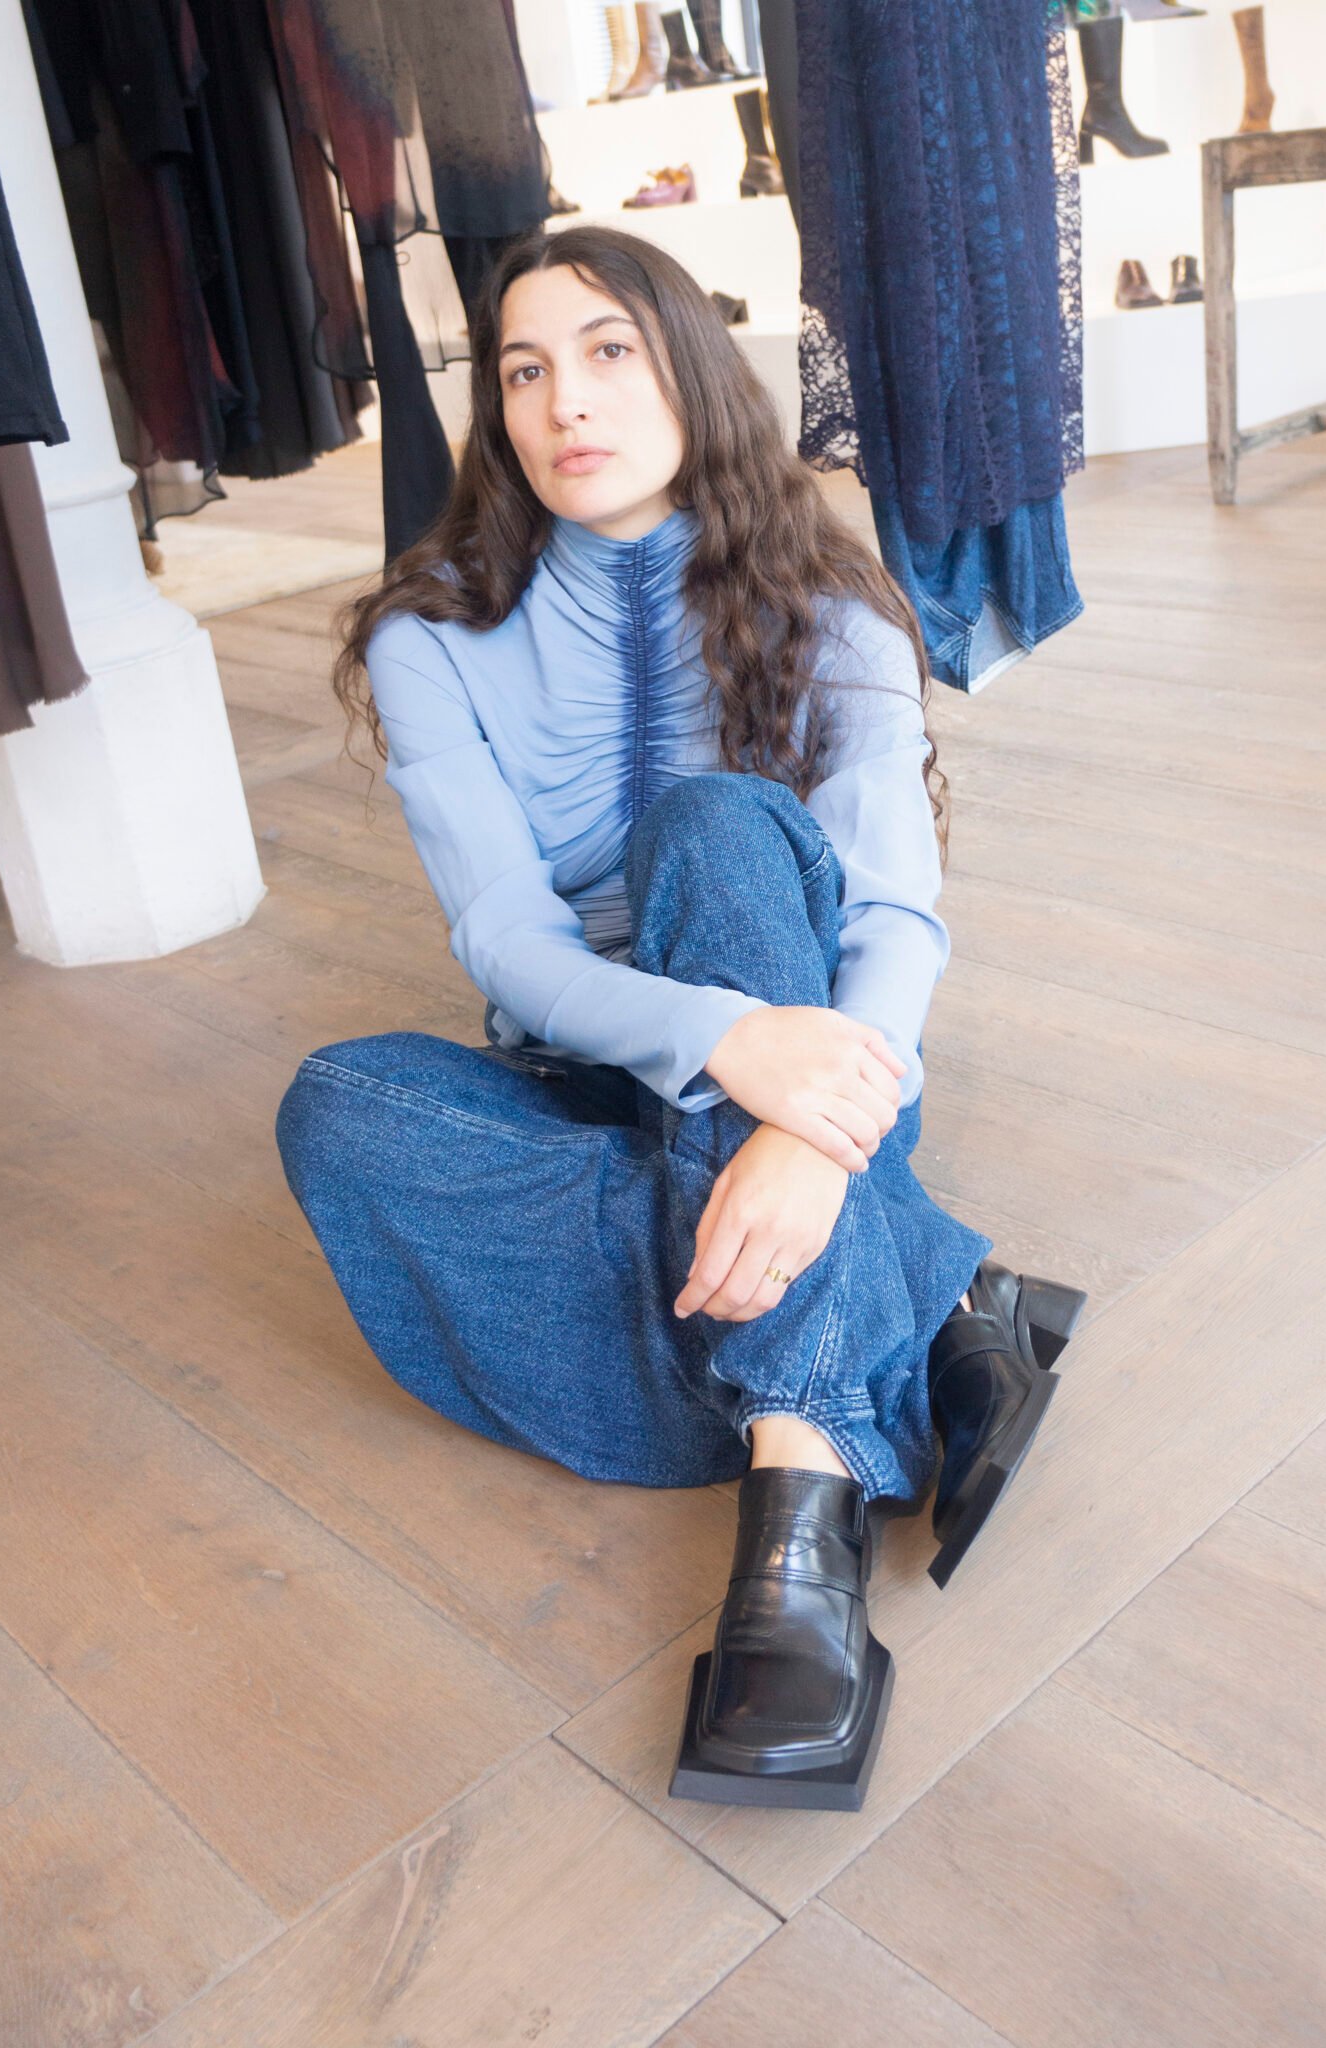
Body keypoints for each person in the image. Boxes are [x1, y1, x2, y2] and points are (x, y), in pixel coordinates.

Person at [274, 224, 1088, 1813]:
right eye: (524, 369)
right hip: (609, 1076)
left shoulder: (831, 605)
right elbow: (507, 942)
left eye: (608, 353)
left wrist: (798, 1114)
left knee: (712, 825)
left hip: (826, 1062)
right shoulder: (427, 636)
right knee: (337, 1106)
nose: (563, 401)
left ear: (689, 373)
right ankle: (931, 1305)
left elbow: (896, 918)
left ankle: (800, 1496)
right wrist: (723, 1053)